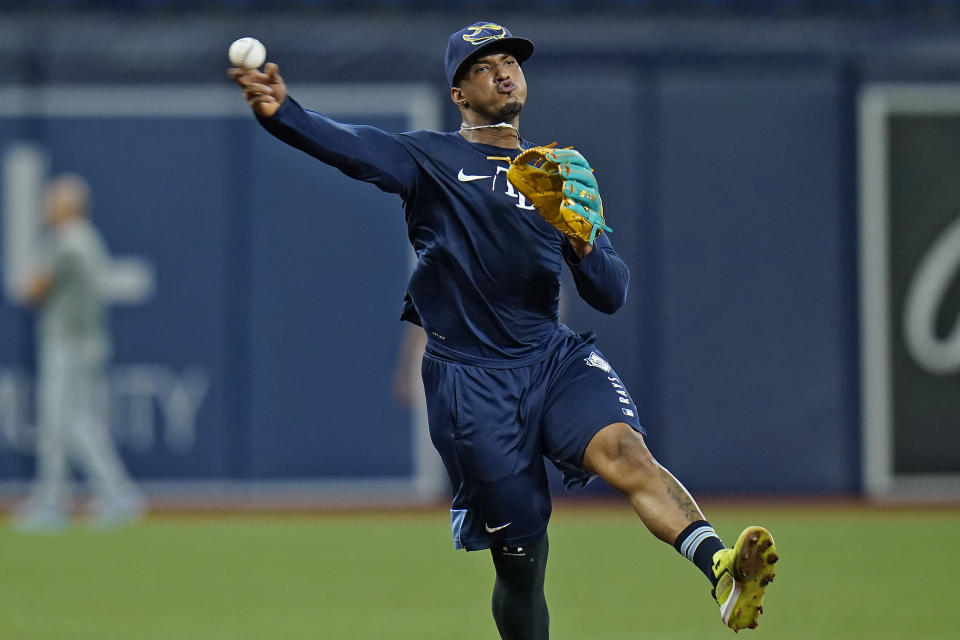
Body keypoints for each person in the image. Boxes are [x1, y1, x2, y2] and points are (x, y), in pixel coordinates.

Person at [229, 21, 779, 636]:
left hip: (551, 358)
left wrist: (578, 239)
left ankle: (723, 567)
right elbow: (354, 147)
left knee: (628, 452)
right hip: (472, 384)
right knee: (522, 563)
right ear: (459, 93)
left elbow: (612, 292)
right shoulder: (431, 159)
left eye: (511, 60)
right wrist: (284, 114)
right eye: (482, 64)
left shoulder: (558, 173)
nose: (503, 70)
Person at [12, 174, 145, 531]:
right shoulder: (88, 238)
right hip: (85, 341)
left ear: (69, 206)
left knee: (65, 423)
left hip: (67, 343)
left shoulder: (68, 241)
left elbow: (33, 289)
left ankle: (92, 495)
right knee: (69, 422)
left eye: (53, 201)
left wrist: (28, 281)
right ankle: (73, 498)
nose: (47, 207)